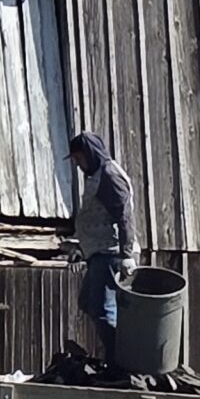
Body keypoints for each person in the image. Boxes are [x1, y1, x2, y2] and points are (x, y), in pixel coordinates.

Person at [69, 131, 137, 363]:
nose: (78, 164)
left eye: (79, 158)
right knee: (88, 302)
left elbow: (124, 215)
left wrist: (127, 254)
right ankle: (115, 356)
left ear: (90, 154)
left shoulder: (109, 175)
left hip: (110, 253)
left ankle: (119, 361)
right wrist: (81, 246)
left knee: (103, 310)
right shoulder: (97, 175)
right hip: (98, 252)